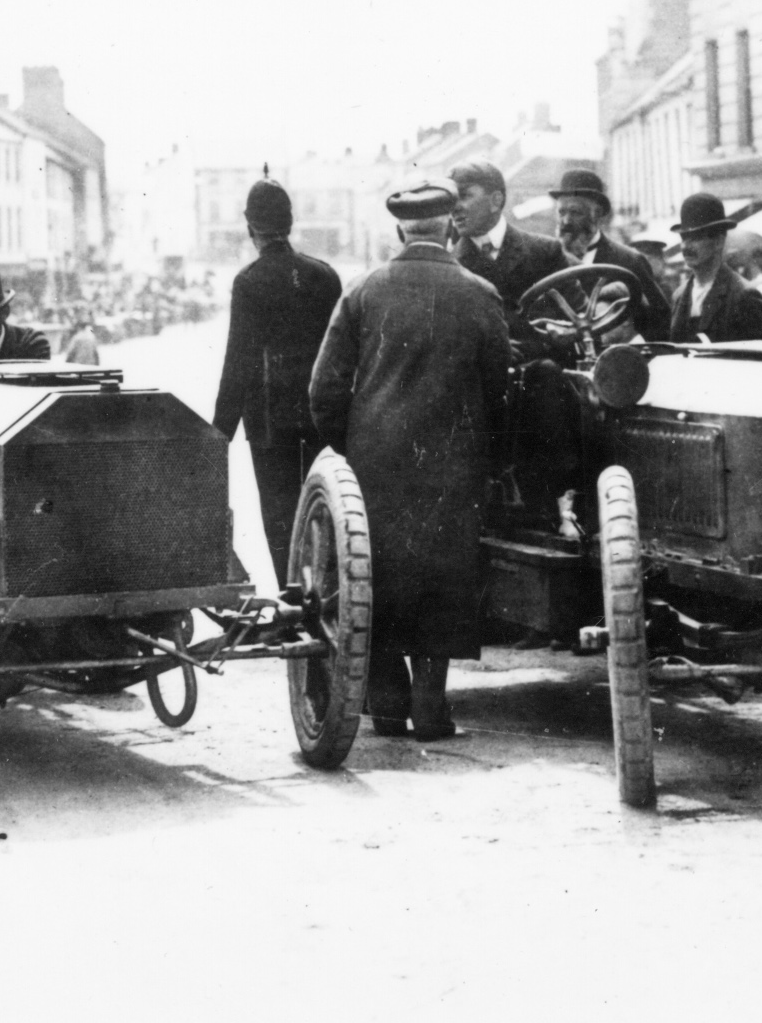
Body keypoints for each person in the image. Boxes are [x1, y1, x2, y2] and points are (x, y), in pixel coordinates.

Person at [309, 181, 510, 741]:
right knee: (442, 581)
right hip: (453, 465)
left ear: (400, 230)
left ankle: (388, 704)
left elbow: (323, 390)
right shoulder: (480, 294)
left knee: (375, 579)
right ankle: (430, 707)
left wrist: (352, 448)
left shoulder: (363, 291)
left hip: (375, 466)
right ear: (450, 228)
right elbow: (499, 391)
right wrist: (482, 451)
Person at [214, 179, 343, 581]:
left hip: (271, 429)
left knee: (281, 519)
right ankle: (326, 598)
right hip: (321, 421)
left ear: (249, 227)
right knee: (326, 509)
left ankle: (293, 600)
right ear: (290, 222)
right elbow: (339, 356)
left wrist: (218, 434)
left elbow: (239, 361)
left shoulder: (248, 281)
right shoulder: (324, 276)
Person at [451, 159, 567, 352]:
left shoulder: (546, 252)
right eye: (451, 199)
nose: (455, 208)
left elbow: (578, 317)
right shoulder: (449, 266)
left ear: (495, 201)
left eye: (464, 196)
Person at [547, 170, 671, 341]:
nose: (566, 221)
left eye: (575, 212)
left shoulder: (629, 261)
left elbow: (660, 322)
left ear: (597, 214)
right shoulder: (547, 259)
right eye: (561, 213)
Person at [668, 193, 762, 341]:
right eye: (684, 238)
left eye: (696, 238)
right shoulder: (679, 296)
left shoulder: (744, 296)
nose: (686, 246)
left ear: (718, 242)